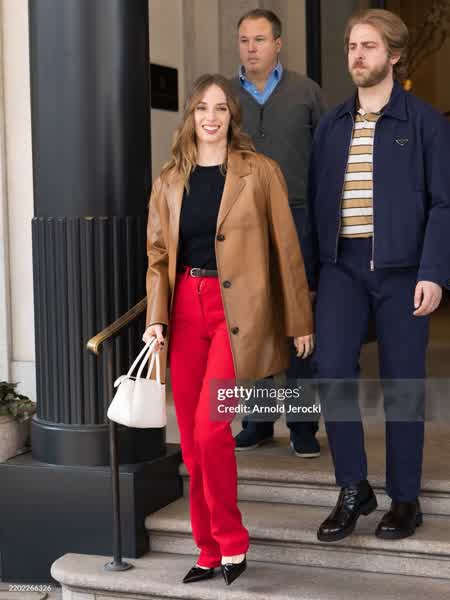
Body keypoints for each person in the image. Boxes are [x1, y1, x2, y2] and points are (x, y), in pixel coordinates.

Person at [143, 73, 314, 584]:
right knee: (192, 442)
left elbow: (286, 249)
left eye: (220, 108)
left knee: (211, 428)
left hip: (236, 312)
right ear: (190, 116)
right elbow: (158, 256)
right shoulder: (170, 179)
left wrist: (299, 319)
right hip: (184, 310)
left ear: (232, 117)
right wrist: (156, 319)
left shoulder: (259, 171)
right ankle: (208, 547)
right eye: (202, 108)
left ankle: (232, 542)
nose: (211, 117)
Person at [303, 9, 450, 543]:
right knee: (331, 371)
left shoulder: (424, 122)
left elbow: (444, 203)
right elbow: (314, 203)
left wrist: (433, 272)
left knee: (402, 382)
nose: (357, 55)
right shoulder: (332, 125)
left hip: (404, 270)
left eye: (368, 46)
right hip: (340, 268)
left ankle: (405, 498)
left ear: (394, 55)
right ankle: (352, 488)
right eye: (352, 46)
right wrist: (309, 279)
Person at [229, 8, 326, 457]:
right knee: (252, 321)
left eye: (260, 39)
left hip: (299, 217)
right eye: (244, 40)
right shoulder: (225, 95)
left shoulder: (307, 92)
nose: (251, 48)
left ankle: (303, 425)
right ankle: (259, 420)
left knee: (298, 319)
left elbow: (327, 159)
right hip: (242, 222)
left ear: (278, 44)